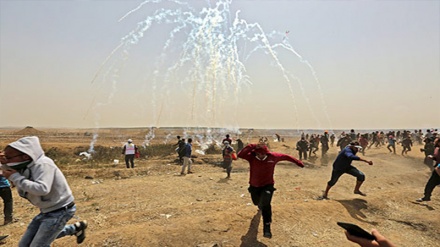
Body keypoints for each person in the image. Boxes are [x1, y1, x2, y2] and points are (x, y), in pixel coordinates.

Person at [0, 136, 87, 246]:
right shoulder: (25, 164)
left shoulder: (43, 165)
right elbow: (9, 171)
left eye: (9, 157)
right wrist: (4, 163)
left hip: (60, 210)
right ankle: (75, 228)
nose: (7, 160)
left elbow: (42, 189)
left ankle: (73, 229)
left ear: (25, 156)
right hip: (46, 211)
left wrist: (15, 177)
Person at [237, 143, 304, 238]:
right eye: (258, 154)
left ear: (266, 153)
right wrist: (252, 145)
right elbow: (240, 154)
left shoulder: (273, 157)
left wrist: (298, 162)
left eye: (262, 154)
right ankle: (260, 205)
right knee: (256, 202)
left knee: (266, 204)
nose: (260, 156)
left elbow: (286, 157)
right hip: (254, 186)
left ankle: (267, 228)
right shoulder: (251, 158)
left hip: (267, 185)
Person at [416, 138, 440, 202]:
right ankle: (427, 197)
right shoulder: (437, 149)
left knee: (430, 184)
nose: (435, 143)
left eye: (436, 142)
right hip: (437, 169)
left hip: (438, 170)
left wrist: (438, 168)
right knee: (430, 185)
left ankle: (427, 197)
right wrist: (433, 157)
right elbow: (437, 158)